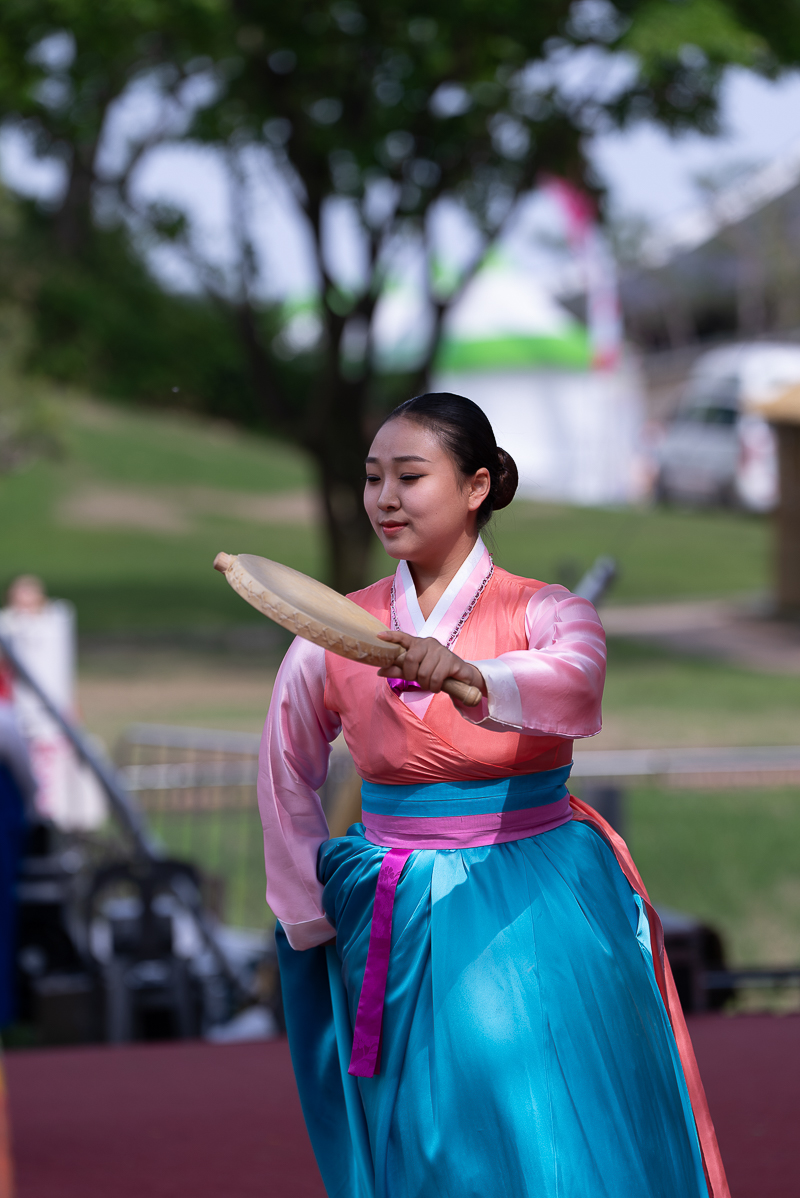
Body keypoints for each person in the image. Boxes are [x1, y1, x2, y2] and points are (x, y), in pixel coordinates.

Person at [257, 393, 729, 1198]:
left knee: (542, 1120)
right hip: (392, 904)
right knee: (424, 1139)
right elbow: (283, 767)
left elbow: (577, 681)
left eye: (410, 476)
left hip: (535, 892)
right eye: (374, 479)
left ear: (477, 486)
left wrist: (477, 678)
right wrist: (308, 911)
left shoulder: (546, 609)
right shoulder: (337, 630)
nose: (385, 499)